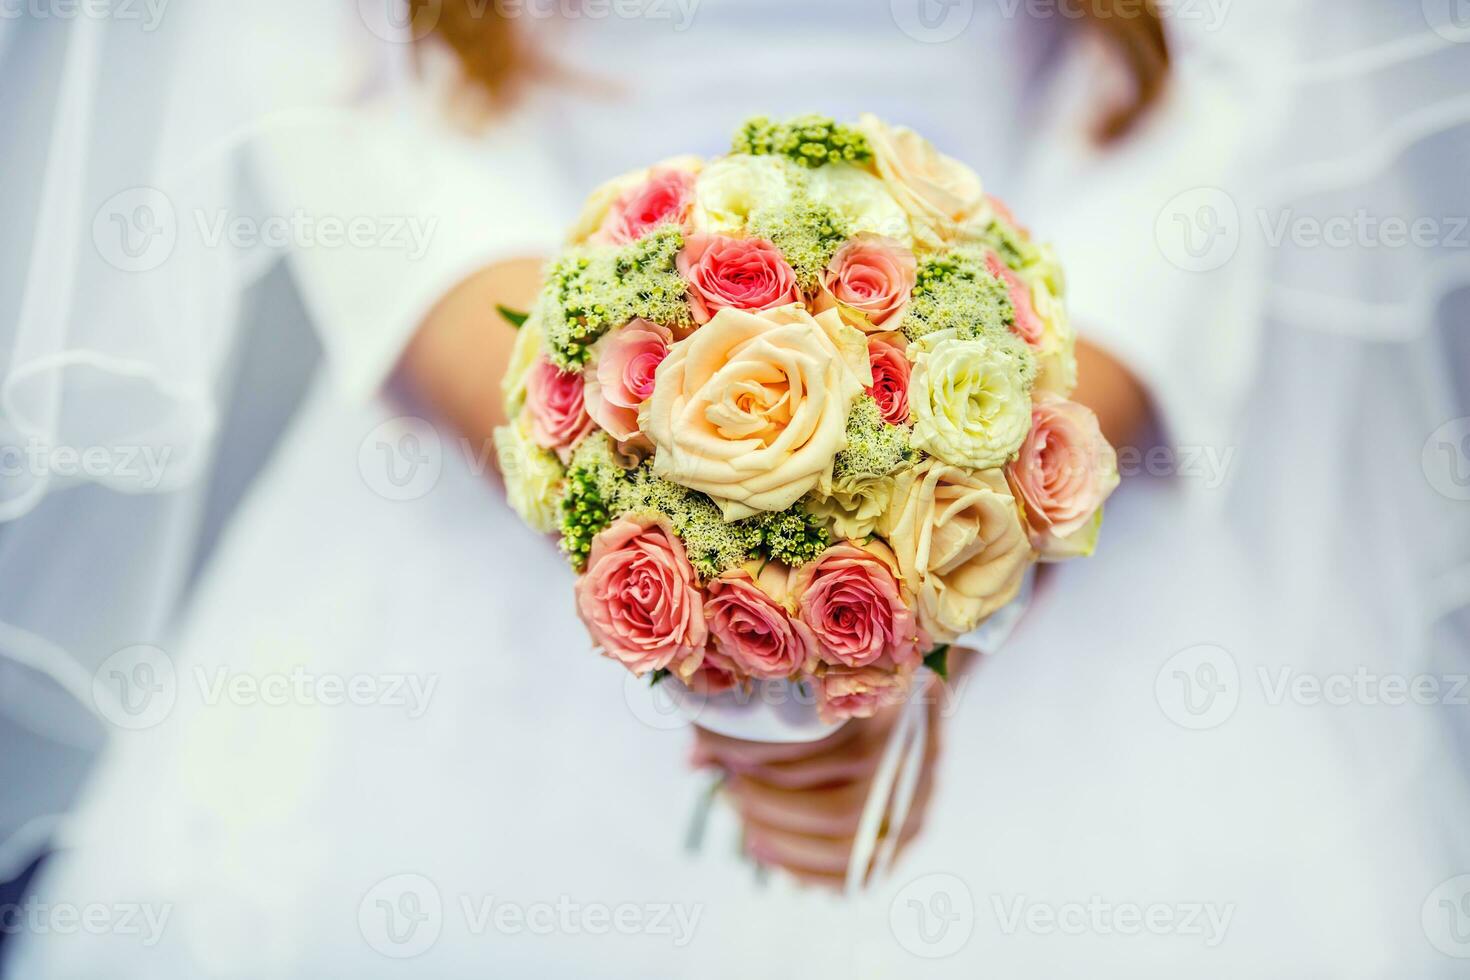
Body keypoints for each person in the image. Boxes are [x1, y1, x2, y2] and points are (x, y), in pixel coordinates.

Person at [7, 2, 1468, 977]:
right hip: (483, 482)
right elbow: (347, 95)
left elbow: (1228, 83)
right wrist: (628, 490)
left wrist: (950, 549)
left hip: (1038, 446)